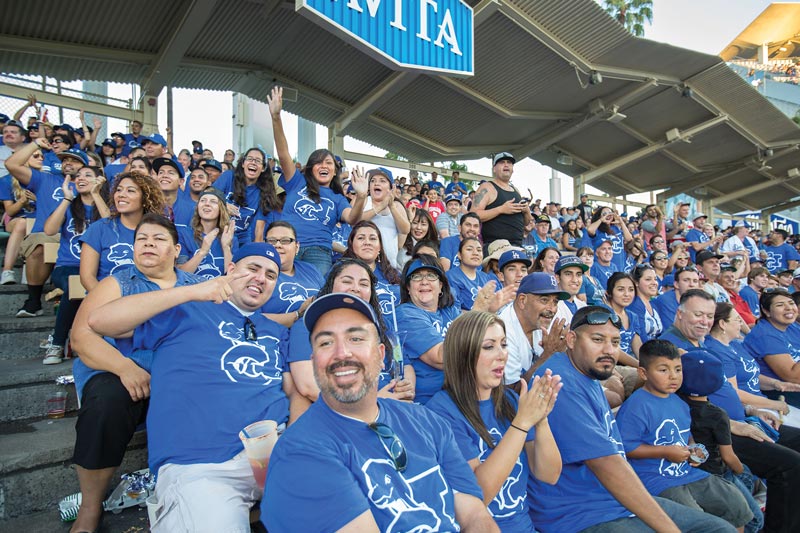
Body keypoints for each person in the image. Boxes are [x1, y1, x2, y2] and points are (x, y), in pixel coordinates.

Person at [84, 242, 296, 532]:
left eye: (271, 275)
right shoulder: (187, 310)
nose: (261, 278)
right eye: (253, 269)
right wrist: (194, 290)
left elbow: (295, 390)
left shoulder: (277, 332)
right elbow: (99, 321)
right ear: (230, 269)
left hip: (275, 453)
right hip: (202, 464)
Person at [262, 293, 499, 532]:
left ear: (381, 355)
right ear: (314, 362)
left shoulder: (427, 421)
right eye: (326, 342)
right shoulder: (300, 452)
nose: (342, 352)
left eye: (356, 338)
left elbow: (475, 515)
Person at [528, 306, 734, 533]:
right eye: (597, 339)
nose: (608, 350)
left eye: (615, 342)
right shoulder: (560, 381)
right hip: (578, 514)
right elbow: (606, 463)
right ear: (571, 339)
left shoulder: (586, 370)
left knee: (718, 528)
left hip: (610, 501)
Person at [68, 214, 201, 533]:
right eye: (141, 239)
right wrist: (124, 367)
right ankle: (90, 506)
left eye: (157, 239)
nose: (148, 244)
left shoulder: (194, 286)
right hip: (119, 370)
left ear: (176, 248)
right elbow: (81, 337)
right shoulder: (119, 282)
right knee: (106, 402)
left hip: (174, 374)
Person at [427, 311, 562, 532]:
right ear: (462, 354)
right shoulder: (441, 413)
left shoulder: (510, 400)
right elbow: (478, 495)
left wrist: (540, 419)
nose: (502, 355)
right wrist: (521, 423)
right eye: (489, 346)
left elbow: (548, 474)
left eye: (504, 344)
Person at [616, 340, 753, 530]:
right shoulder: (637, 406)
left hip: (686, 472)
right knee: (698, 520)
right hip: (654, 479)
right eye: (663, 370)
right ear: (643, 373)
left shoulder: (679, 403)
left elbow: (685, 436)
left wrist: (695, 448)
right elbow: (625, 448)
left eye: (678, 369)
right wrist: (665, 452)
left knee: (735, 504)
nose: (673, 376)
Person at [287, 258, 415, 414]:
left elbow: (404, 364)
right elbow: (308, 386)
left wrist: (406, 386)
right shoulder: (307, 326)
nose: (356, 288)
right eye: (347, 281)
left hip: (395, 405)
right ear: (331, 285)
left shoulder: (382, 324)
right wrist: (375, 402)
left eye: (363, 284)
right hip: (348, 413)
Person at [270, 87, 367, 274]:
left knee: (315, 293)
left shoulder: (337, 198)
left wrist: (362, 196)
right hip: (286, 244)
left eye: (329, 163)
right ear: (310, 167)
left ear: (334, 171)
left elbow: (353, 218)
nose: (324, 166)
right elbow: (283, 153)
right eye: (318, 162)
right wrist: (276, 117)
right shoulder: (297, 182)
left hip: (319, 250)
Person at [678, 350, 765, 533]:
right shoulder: (717, 414)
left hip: (692, 471)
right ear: (718, 384)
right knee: (754, 520)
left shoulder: (676, 402)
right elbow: (728, 456)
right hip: (718, 473)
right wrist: (741, 471)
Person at [41, 166, 109, 364]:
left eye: (88, 175)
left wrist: (97, 195)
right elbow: (49, 230)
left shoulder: (106, 206)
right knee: (75, 285)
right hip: (67, 266)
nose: (80, 178)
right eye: (77, 176)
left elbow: (111, 227)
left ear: (100, 180)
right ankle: (57, 343)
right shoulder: (69, 205)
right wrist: (67, 198)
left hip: (98, 269)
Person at [706, 302, 799, 422]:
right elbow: (733, 393)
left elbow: (748, 373)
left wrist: (776, 384)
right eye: (738, 320)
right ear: (723, 324)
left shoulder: (735, 344)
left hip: (763, 402)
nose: (741, 324)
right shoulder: (716, 350)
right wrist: (773, 404)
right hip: (753, 410)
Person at [79, 172, 166, 292]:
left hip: (149, 301)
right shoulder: (98, 229)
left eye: (130, 191)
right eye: (119, 190)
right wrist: (108, 301)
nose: (121, 195)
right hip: (106, 301)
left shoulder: (159, 231)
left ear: (145, 199)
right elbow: (87, 277)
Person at [396, 256, 462, 404]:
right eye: (417, 276)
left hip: (459, 395)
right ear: (408, 287)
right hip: (431, 402)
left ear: (440, 286)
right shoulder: (406, 313)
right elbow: (442, 357)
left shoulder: (450, 311)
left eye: (431, 276)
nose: (424, 281)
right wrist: (479, 311)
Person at [213, 147, 282, 246]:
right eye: (249, 159)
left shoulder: (264, 192)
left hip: (241, 240)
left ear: (263, 168)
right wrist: (223, 205)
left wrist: (256, 252)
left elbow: (259, 229)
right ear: (243, 163)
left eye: (258, 161)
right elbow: (208, 195)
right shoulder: (229, 176)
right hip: (217, 234)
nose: (253, 162)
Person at [260, 221, 325, 327]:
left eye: (285, 241)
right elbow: (251, 319)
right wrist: (297, 315)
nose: (278, 245)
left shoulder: (311, 269)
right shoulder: (257, 276)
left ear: (297, 247)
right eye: (272, 241)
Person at [743, 288, 800, 392]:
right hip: (780, 391)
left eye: (791, 303)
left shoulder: (791, 326)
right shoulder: (765, 335)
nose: (788, 308)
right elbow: (794, 378)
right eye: (780, 305)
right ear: (766, 311)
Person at [471, 152, 532, 248]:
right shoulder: (487, 187)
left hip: (517, 246)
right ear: (494, 169)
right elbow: (473, 215)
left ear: (513, 169)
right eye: (502, 162)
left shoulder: (516, 190)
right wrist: (501, 209)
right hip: (495, 247)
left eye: (509, 162)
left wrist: (527, 212)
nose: (506, 165)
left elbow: (526, 222)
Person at [176, 187, 237, 280]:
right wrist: (203, 252)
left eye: (213, 201)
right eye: (203, 200)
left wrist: (226, 247)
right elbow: (180, 276)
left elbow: (232, 278)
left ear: (221, 209)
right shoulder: (184, 234)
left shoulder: (231, 238)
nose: (207, 204)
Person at [0, 147, 40, 285]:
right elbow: (10, 211)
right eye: (36, 156)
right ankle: (7, 271)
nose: (41, 158)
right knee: (23, 224)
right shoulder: (6, 180)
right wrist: (22, 202)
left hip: (39, 220)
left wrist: (38, 199)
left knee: (35, 226)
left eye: (42, 156)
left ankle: (29, 273)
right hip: (16, 219)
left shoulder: (46, 179)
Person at [360, 167, 410, 269]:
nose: (376, 183)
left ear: (391, 187)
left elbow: (405, 230)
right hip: (363, 263)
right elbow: (355, 222)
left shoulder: (397, 205)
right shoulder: (363, 201)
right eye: (373, 181)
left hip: (389, 265)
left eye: (382, 181)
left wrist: (391, 206)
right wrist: (380, 206)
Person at [446, 237, 495, 311]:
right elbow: (455, 311)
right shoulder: (450, 277)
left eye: (479, 250)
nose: (475, 253)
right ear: (459, 255)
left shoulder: (486, 277)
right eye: (469, 249)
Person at [585, 206, 633, 273]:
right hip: (602, 268)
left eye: (610, 213)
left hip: (619, 266)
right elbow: (590, 230)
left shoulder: (616, 229)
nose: (608, 215)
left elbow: (629, 239)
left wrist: (621, 222)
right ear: (599, 216)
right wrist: (601, 220)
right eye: (604, 214)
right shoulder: (598, 230)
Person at [628, 264, 663, 341]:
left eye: (655, 279)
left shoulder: (653, 305)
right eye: (648, 279)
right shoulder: (634, 305)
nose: (654, 283)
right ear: (636, 282)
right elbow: (641, 337)